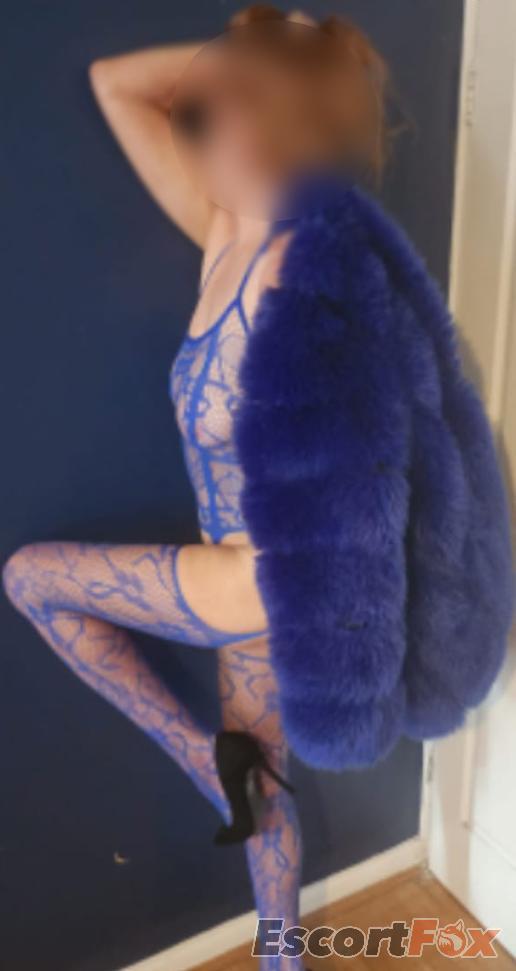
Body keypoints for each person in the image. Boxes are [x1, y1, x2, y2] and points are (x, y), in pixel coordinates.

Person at [3, 8, 391, 967]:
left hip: (265, 577)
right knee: (265, 776)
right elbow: (117, 83)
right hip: (238, 575)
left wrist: (299, 77)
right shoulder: (222, 227)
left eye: (223, 109)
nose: (198, 119)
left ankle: (202, 761)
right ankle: (281, 953)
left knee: (29, 577)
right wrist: (274, 52)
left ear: (268, 129)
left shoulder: (304, 276)